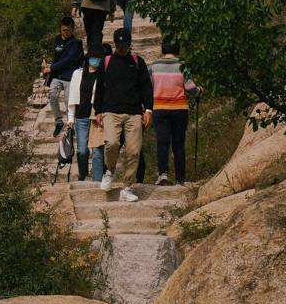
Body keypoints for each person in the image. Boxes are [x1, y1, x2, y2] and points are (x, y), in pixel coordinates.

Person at [89, 31, 153, 200]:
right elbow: (100, 88)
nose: (123, 50)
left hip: (133, 113)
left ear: (129, 44)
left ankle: (127, 188)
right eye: (119, 47)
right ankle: (109, 171)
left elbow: (146, 87)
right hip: (111, 111)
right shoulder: (107, 62)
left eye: (125, 46)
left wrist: (148, 110)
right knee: (111, 143)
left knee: (133, 151)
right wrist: (98, 110)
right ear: (115, 45)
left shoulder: (138, 62)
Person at [147, 38, 199, 185]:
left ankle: (163, 174)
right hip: (179, 109)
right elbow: (190, 87)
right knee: (178, 143)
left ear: (163, 49)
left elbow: (149, 87)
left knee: (162, 142)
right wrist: (199, 91)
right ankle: (180, 179)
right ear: (177, 49)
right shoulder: (182, 66)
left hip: (160, 108)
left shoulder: (153, 67)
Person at [45, 18, 84, 138]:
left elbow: (69, 60)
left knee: (69, 102)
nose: (65, 32)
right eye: (63, 30)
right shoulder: (57, 40)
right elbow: (56, 56)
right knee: (52, 95)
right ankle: (58, 122)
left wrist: (52, 67)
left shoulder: (76, 43)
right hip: (57, 76)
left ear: (72, 29)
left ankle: (70, 125)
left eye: (68, 30)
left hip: (70, 76)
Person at [71, 53, 99, 182]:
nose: (95, 60)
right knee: (82, 151)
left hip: (95, 117)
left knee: (97, 151)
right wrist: (70, 117)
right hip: (81, 116)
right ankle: (83, 174)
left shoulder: (102, 74)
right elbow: (72, 94)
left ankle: (97, 176)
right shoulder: (78, 73)